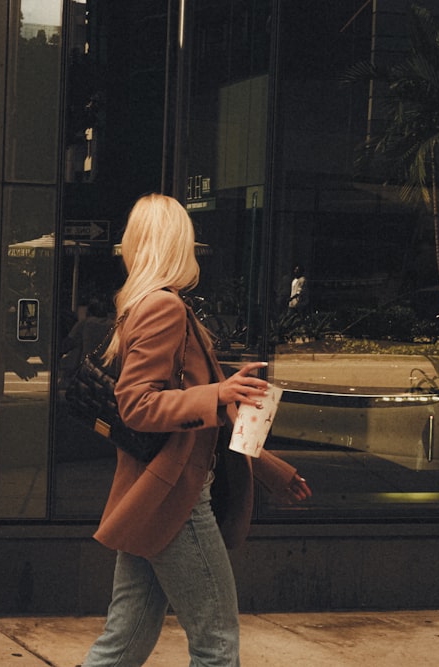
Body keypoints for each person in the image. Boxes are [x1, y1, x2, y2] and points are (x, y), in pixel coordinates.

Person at [81, 193, 311, 667]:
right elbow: (137, 405)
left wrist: (269, 466)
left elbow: (197, 422)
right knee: (217, 645)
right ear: (175, 244)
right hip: (178, 502)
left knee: (122, 645)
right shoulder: (163, 308)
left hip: (154, 497)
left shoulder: (143, 305)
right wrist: (219, 394)